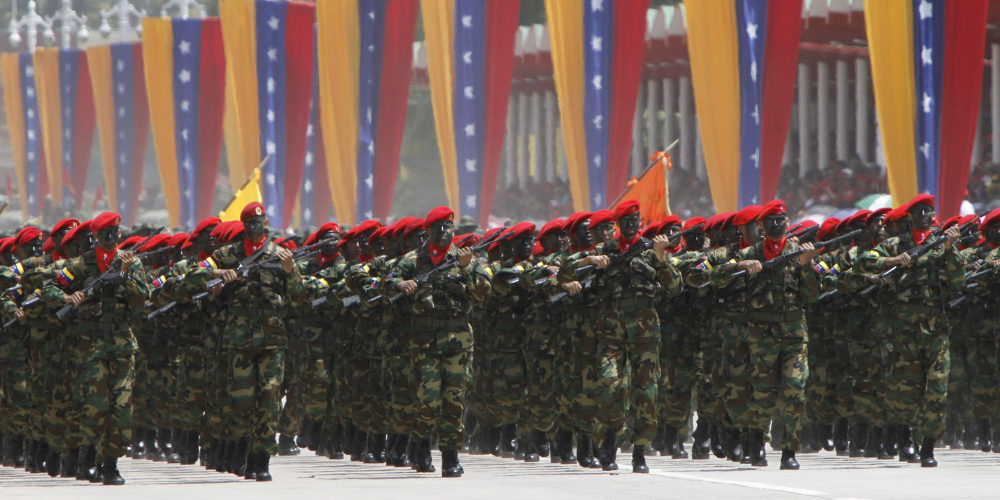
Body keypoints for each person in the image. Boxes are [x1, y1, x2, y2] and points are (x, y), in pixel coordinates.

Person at [558, 199, 684, 472]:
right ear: (618, 225)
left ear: (640, 222)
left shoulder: (652, 250)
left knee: (646, 394)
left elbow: (675, 288)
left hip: (645, 334)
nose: (630, 225)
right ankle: (611, 435)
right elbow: (564, 274)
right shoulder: (605, 250)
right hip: (610, 334)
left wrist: (662, 257)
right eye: (624, 221)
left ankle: (639, 451)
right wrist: (589, 259)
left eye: (634, 220)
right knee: (607, 386)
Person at [182, 202, 303, 481]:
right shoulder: (226, 254)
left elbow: (299, 296)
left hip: (272, 340)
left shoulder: (280, 254)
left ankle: (262, 460)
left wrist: (290, 270)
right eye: (249, 223)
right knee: (242, 403)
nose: (254, 227)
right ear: (244, 225)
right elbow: (192, 274)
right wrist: (217, 273)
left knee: (270, 401)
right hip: (238, 342)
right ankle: (240, 449)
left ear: (266, 223)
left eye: (258, 222)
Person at [42, 212, 150, 485]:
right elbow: (49, 290)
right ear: (96, 236)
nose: (110, 237)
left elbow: (141, 301)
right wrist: (68, 296)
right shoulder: (80, 264)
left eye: (114, 232)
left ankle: (110, 463)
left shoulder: (131, 262)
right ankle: (88, 457)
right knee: (95, 406)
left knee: (122, 408)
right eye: (105, 234)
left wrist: (124, 274)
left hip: (122, 346)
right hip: (90, 348)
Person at [855, 194, 964, 467]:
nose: (925, 216)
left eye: (929, 211)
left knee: (937, 391)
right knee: (907, 392)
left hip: (936, 330)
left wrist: (951, 249)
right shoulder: (895, 244)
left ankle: (928, 446)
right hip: (904, 330)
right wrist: (891, 262)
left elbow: (958, 280)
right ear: (910, 217)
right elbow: (864, 261)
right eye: (920, 211)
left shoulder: (940, 245)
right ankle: (905, 438)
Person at [713, 200, 820, 470]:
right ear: (761, 226)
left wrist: (806, 267)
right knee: (763, 392)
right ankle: (757, 443)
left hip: (794, 335)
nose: (777, 225)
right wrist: (739, 266)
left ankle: (789, 451)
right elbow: (715, 278)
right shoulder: (750, 252)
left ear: (787, 222)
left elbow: (812, 296)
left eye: (781, 219)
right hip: (761, 336)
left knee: (795, 390)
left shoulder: (799, 253)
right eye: (770, 221)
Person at [386, 206, 492, 477]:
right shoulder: (413, 259)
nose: (443, 232)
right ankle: (421, 446)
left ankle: (450, 456)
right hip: (424, 343)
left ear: (454, 231)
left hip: (457, 343)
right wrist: (400, 285)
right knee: (428, 400)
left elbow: (484, 293)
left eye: (448, 227)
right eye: (437, 228)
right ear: (428, 232)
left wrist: (468, 269)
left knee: (454, 401)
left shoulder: (465, 258)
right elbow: (386, 280)